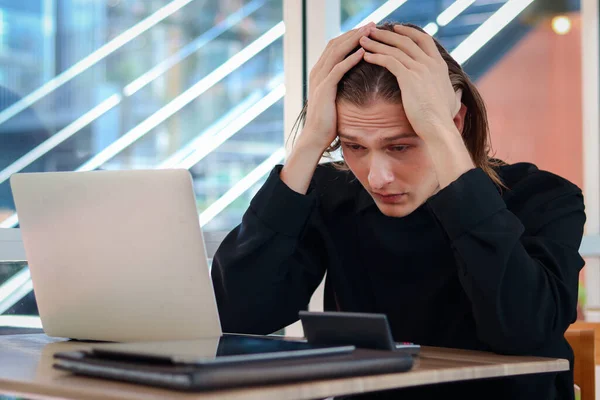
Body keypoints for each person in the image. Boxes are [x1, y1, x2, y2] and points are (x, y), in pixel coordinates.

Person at [211, 22, 585, 399]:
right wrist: (310, 142)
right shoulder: (333, 195)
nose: (377, 178)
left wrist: (439, 133)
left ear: (455, 122)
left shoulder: (545, 198)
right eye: (353, 146)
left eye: (400, 146)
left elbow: (526, 330)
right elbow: (239, 316)